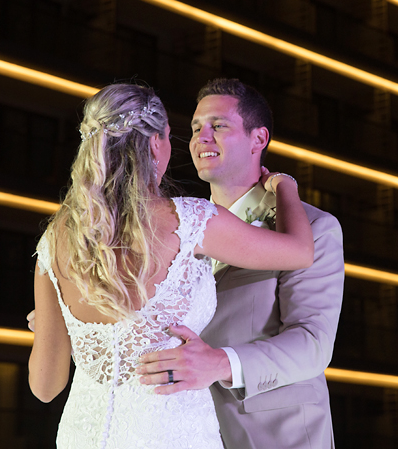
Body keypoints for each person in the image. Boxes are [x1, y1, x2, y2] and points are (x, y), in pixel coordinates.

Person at [28, 83, 314, 449]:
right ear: (154, 145)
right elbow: (300, 251)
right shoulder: (190, 220)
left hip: (82, 437)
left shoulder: (55, 241)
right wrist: (285, 185)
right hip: (171, 435)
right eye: (169, 136)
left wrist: (58, 328)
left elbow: (45, 387)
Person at [136, 79, 345, 449]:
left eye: (218, 126)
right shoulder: (177, 229)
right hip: (185, 428)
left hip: (278, 435)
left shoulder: (313, 229)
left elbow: (313, 343)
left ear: (257, 139)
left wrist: (219, 363)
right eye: (196, 128)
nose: (202, 137)